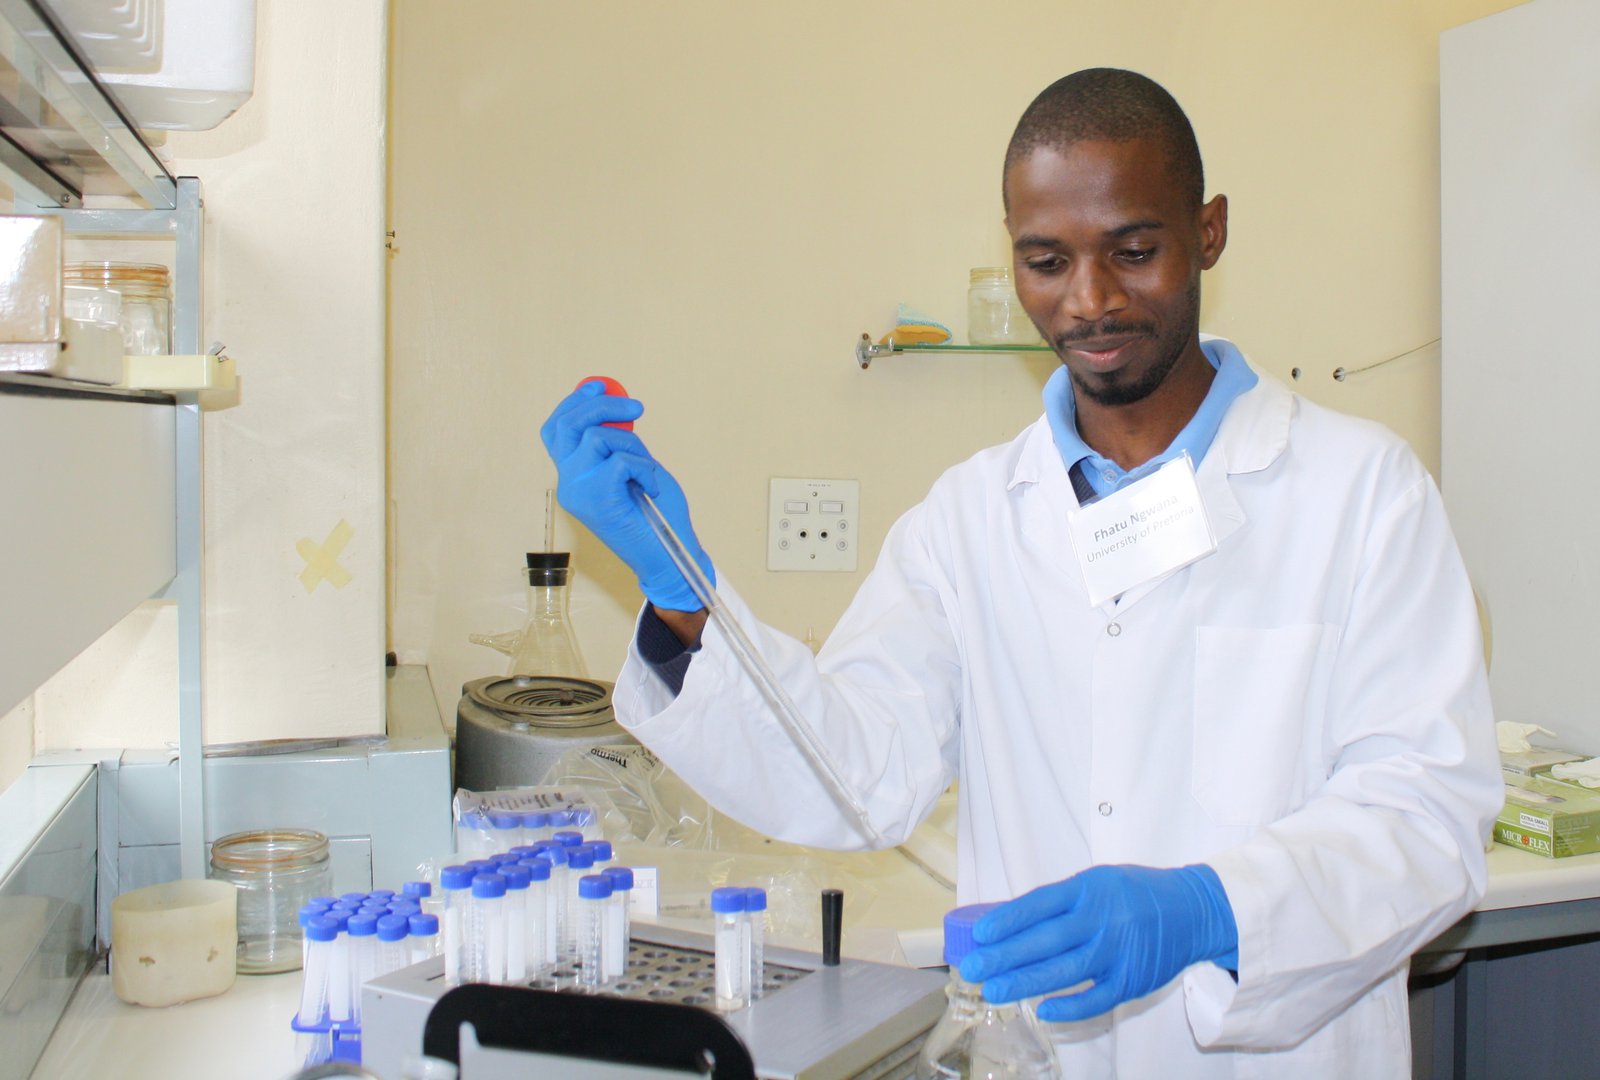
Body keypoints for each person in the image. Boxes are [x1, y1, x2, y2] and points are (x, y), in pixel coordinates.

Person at [540, 68, 1499, 1078]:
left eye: (1134, 250)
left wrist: (1212, 912)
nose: (1088, 301)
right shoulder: (969, 519)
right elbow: (857, 776)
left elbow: (1426, 816)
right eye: (1045, 260)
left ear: (1207, 230)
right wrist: (684, 594)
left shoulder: (1360, 492)